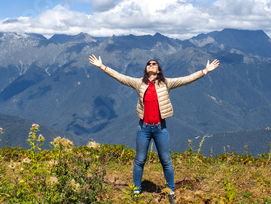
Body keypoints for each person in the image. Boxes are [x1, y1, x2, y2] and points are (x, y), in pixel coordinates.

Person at [88, 54, 219, 199]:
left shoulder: (166, 83)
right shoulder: (139, 83)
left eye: (154, 64)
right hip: (143, 128)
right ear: (146, 68)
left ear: (158, 70)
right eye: (148, 63)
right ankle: (137, 188)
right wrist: (102, 67)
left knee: (166, 160)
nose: (151, 65)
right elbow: (121, 77)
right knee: (140, 160)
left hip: (160, 128)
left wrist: (205, 71)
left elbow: (185, 79)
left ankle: (170, 188)